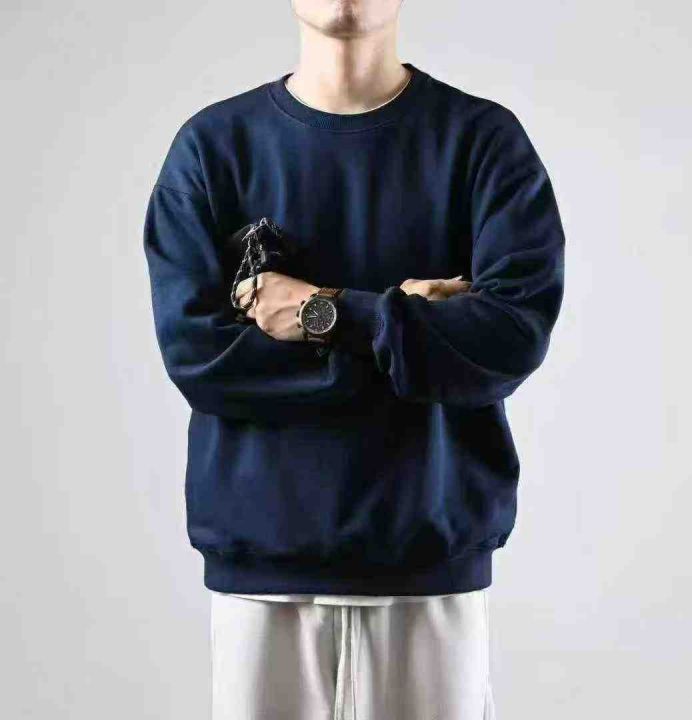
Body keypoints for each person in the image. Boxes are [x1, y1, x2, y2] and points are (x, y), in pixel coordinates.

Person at [142, 1, 565, 718]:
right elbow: (203, 360)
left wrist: (329, 312)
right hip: (262, 577)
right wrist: (412, 332)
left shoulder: (481, 142)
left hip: (429, 572)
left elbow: (509, 338)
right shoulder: (213, 148)